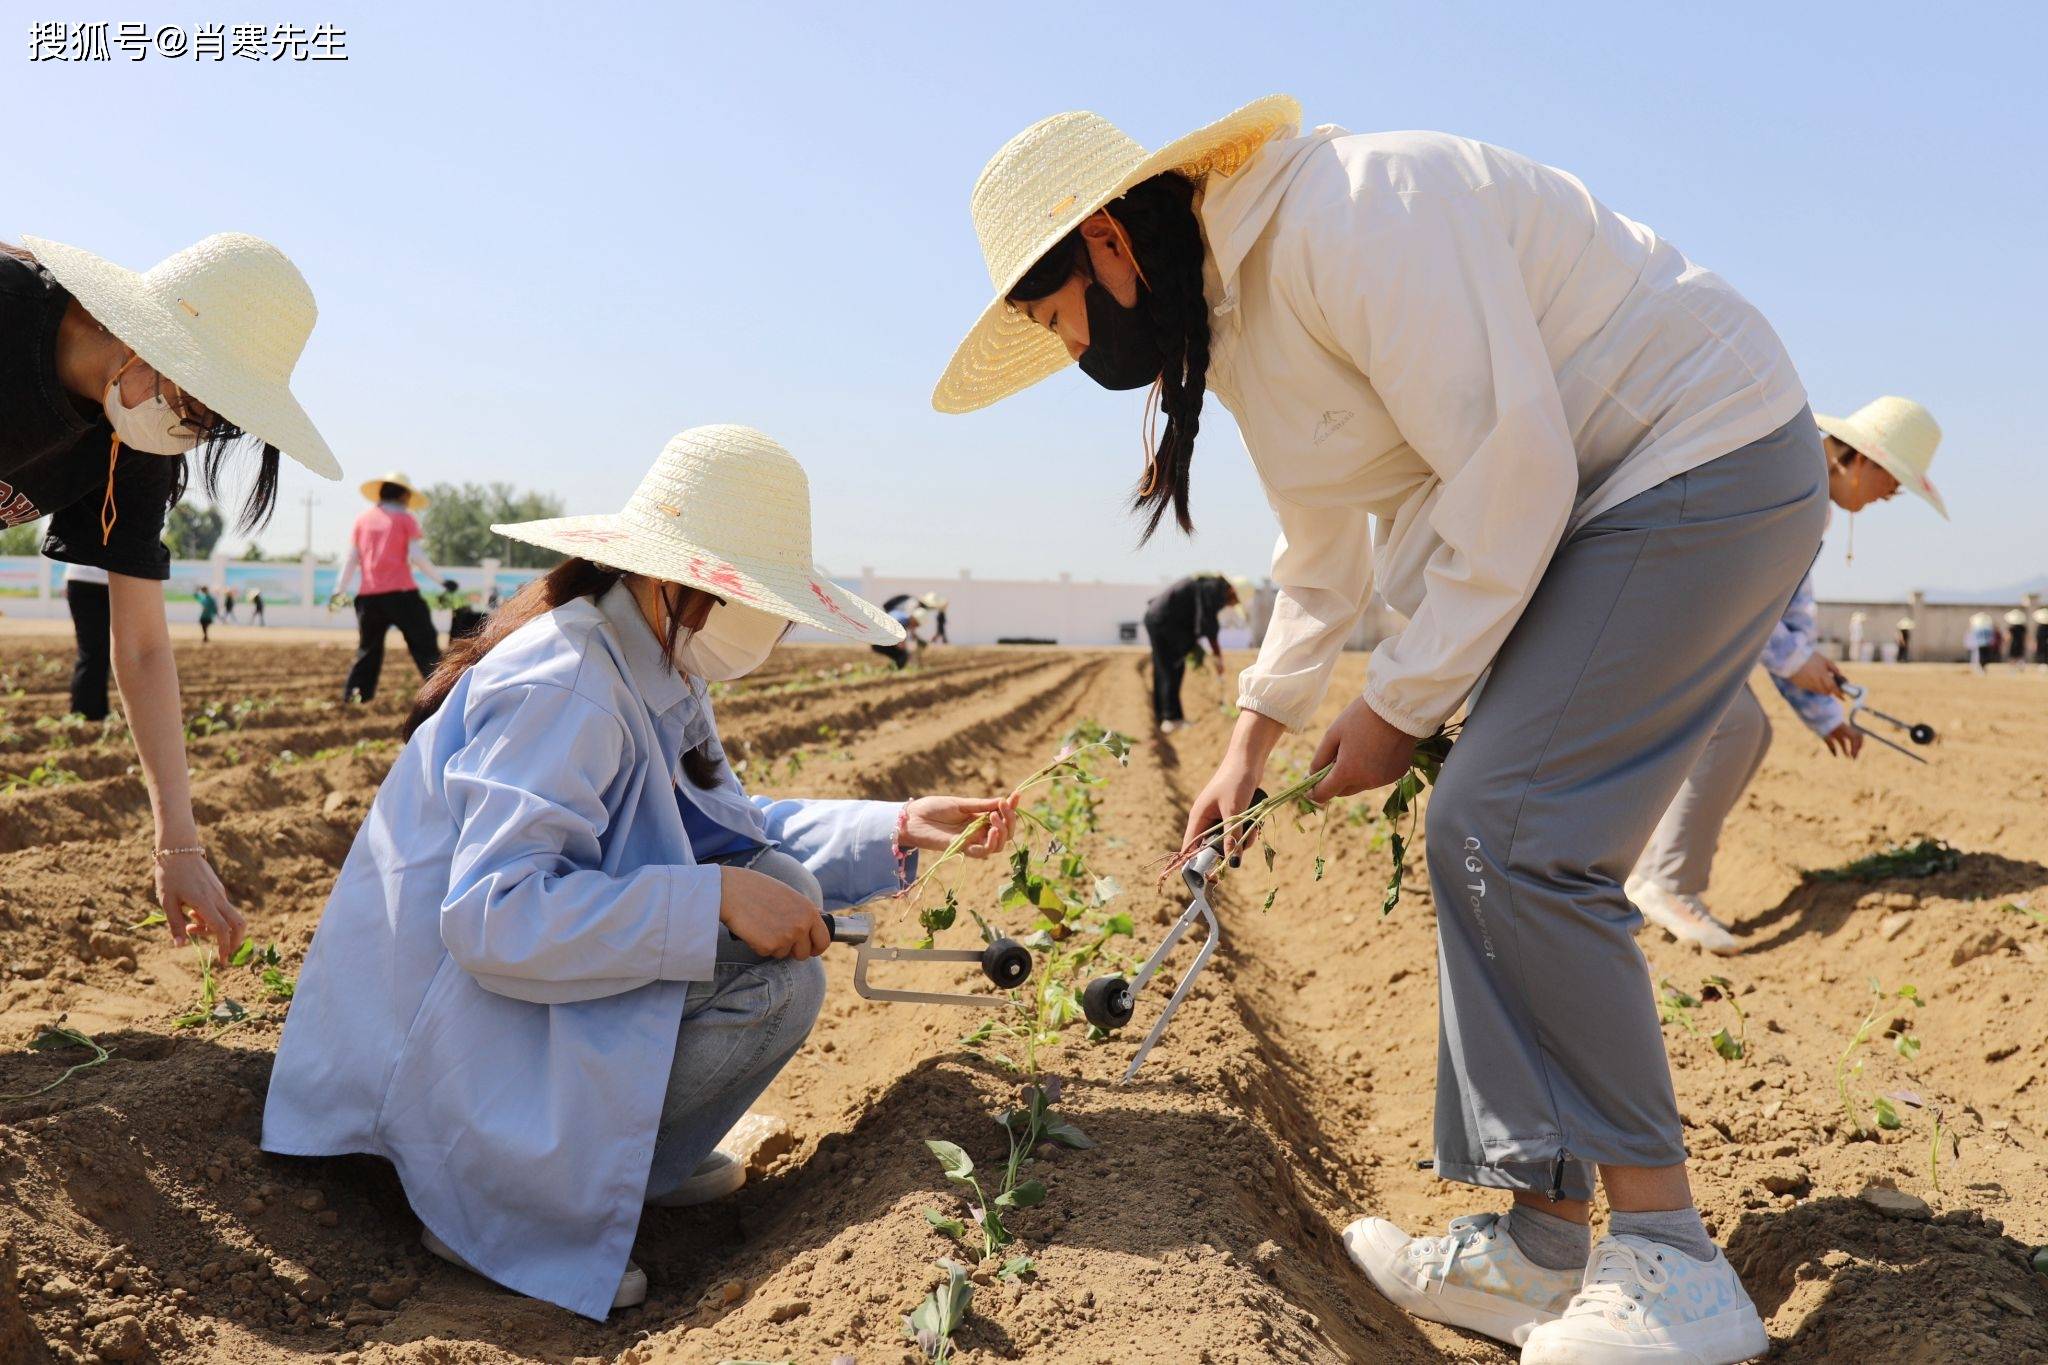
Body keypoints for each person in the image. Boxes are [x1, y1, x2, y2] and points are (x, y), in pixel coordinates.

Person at [936, 97, 1824, 1363]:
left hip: (1701, 457)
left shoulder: (1353, 216)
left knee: (1508, 832)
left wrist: (1396, 704)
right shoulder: (1237, 317)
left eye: (1054, 316)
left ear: (1105, 244)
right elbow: (1321, 552)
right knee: (1480, 830)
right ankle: (1539, 1247)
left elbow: (1513, 463)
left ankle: (1674, 1261)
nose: (1074, 350)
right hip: (1597, 502)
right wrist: (1251, 740)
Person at [262, 425, 1018, 1319]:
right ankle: (502, 1202)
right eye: (760, 601)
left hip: (506, 998)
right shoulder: (568, 680)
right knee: (778, 988)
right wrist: (714, 899)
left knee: (784, 884)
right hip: (445, 1031)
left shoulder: (653, 661)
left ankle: (626, 1160)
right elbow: (493, 918)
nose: (770, 628)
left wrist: (893, 824)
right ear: (677, 582)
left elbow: (724, 826)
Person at [2, 231, 340, 957]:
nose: (194, 428)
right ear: (146, 337)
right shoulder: (7, 309)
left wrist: (177, 842)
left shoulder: (140, 437)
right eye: (201, 400)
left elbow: (146, 645)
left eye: (215, 422)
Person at [1630, 398, 1945, 953]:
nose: (1892, 495)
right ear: (1860, 460)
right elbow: (1734, 584)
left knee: (1745, 731)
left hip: (1687, 624)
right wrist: (1796, 663)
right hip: (1658, 608)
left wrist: (1824, 709)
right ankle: (1667, 884)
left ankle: (1650, 877)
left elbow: (1785, 609)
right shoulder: (1787, 481)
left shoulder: (1811, 499)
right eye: (1894, 481)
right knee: (1734, 727)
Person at [334, 471, 444, 702]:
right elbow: (417, 556)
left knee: (368, 651)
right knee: (425, 645)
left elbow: (351, 558)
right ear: (404, 495)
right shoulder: (406, 519)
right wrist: (441, 581)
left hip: (369, 598)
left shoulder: (362, 520)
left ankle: (355, 698)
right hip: (401, 594)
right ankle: (443, 695)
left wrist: (339, 591)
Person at [1141, 573, 1236, 734]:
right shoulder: (1212, 590)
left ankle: (1163, 716)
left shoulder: (1209, 586)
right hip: (1161, 622)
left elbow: (1196, 619)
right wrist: (1217, 657)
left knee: (1166, 669)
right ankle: (1171, 719)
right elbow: (1208, 625)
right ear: (1232, 592)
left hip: (1160, 620)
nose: (1231, 605)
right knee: (1170, 669)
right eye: (1234, 601)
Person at [59, 560, 111, 719]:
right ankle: (84, 712)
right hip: (100, 580)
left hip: (82, 578)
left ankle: (96, 712)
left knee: (98, 650)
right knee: (94, 650)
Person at [872, 594, 927, 669]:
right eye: (916, 624)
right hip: (878, 641)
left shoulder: (903, 616)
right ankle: (892, 672)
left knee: (900, 654)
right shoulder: (902, 622)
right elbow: (901, 644)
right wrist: (910, 654)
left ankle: (890, 669)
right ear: (914, 619)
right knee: (903, 655)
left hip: (877, 639)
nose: (915, 627)